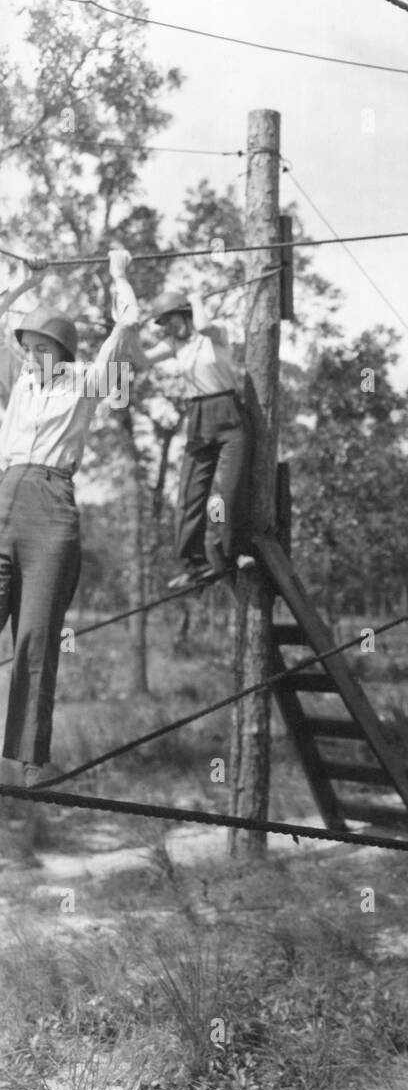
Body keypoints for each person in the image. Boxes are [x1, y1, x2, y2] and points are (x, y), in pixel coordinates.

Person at [0, 250, 141, 864]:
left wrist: (117, 273)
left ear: (62, 349)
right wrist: (27, 283)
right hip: (2, 495)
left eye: (41, 345)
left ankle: (28, 760)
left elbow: (128, 322)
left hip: (52, 508)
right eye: (26, 344)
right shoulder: (18, 382)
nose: (32, 353)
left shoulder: (85, 381)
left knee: (34, 639)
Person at [130, 286, 254, 587]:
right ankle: (193, 565)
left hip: (229, 414)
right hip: (198, 418)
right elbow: (142, 361)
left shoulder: (215, 336)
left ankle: (236, 552)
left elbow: (204, 325)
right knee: (190, 494)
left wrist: (196, 298)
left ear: (184, 314)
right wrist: (130, 330)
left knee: (231, 491)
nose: (167, 328)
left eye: (170, 319)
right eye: (162, 324)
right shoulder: (175, 344)